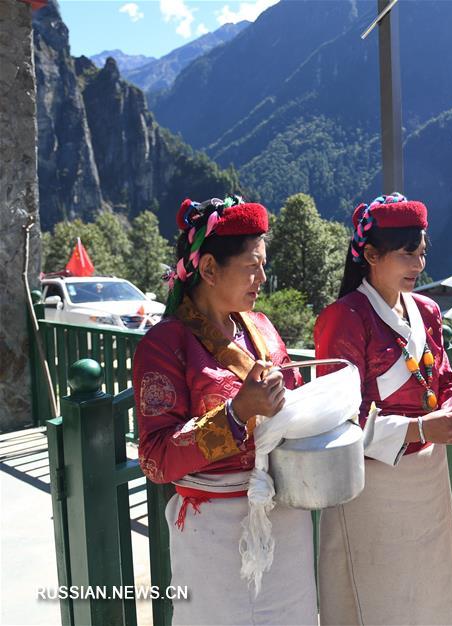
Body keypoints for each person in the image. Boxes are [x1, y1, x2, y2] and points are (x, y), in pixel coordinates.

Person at [133, 196, 316, 625]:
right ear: (210, 269)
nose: (263, 278)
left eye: (263, 264)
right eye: (252, 266)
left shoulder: (262, 329)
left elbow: (294, 398)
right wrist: (234, 416)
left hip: (283, 520)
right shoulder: (165, 346)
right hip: (213, 531)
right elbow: (156, 458)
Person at [314, 193, 452, 625]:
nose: (418, 265)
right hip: (371, 484)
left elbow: (443, 382)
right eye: (408, 253)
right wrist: (424, 429)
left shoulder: (426, 311)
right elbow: (339, 421)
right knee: (379, 594)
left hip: (427, 475)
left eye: (422, 253)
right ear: (370, 254)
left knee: (429, 591)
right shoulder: (344, 318)